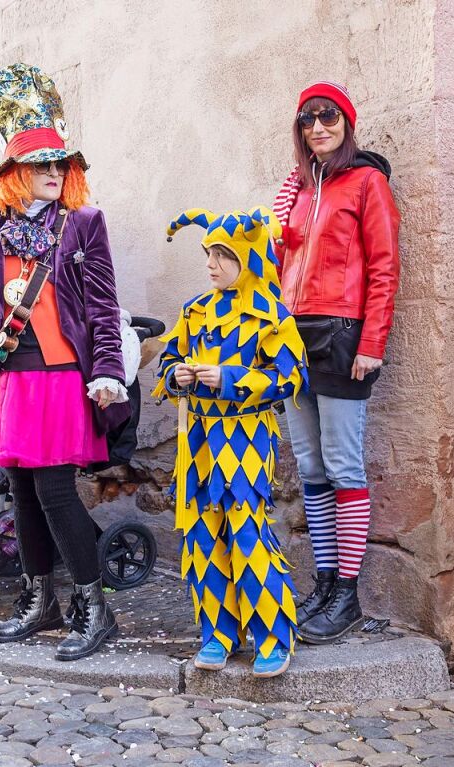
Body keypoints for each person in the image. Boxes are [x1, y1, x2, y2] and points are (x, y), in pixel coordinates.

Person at [0, 64, 130, 661]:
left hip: (59, 379)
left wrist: (105, 368)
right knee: (22, 491)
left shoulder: (83, 224)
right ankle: (40, 600)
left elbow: (103, 306)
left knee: (55, 491)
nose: (54, 174)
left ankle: (93, 608)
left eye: (61, 165)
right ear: (13, 176)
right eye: (41, 166)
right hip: (9, 379)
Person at [154, 206, 308, 677]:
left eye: (223, 255)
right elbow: (166, 362)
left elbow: (290, 376)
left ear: (248, 258)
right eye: (209, 255)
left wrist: (229, 377)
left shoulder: (272, 317)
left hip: (243, 437)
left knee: (245, 532)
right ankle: (217, 634)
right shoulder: (194, 311)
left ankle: (272, 638)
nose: (212, 264)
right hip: (197, 440)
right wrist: (176, 375)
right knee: (202, 535)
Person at [272, 81, 400, 643]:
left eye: (329, 117)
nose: (318, 127)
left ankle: (347, 593)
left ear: (347, 123)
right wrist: (275, 230)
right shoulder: (297, 189)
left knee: (344, 466)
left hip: (342, 335)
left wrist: (373, 343)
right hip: (292, 338)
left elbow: (384, 267)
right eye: (308, 119)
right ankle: (324, 582)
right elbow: (276, 267)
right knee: (309, 465)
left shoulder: (367, 183)